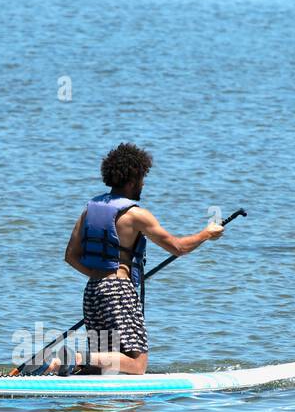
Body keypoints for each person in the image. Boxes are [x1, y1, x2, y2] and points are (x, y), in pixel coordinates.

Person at [59, 143, 223, 375]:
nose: (143, 184)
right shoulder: (136, 215)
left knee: (104, 369)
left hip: (93, 290)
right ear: (132, 179)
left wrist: (101, 278)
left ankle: (80, 383)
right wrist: (207, 233)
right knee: (136, 365)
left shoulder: (89, 210)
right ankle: (75, 357)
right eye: (142, 178)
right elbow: (178, 247)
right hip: (118, 292)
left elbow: (70, 256)